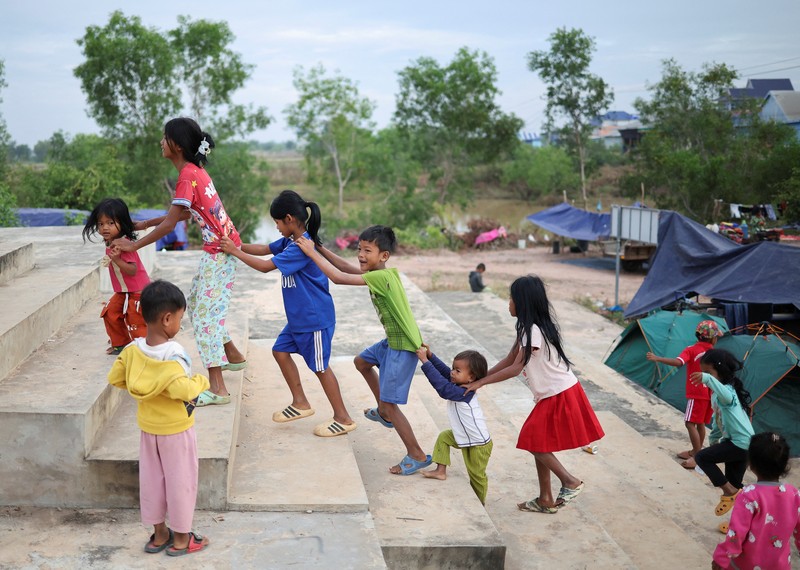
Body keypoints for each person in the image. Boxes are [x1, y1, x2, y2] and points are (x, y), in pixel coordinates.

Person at [113, 117, 246, 407]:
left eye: (164, 137)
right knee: (199, 305)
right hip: (222, 250)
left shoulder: (187, 175)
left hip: (219, 253)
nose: (161, 142)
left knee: (203, 318)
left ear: (176, 145)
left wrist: (134, 243)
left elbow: (172, 224)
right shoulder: (195, 171)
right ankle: (233, 356)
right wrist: (144, 223)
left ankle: (219, 389)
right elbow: (183, 214)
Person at [296, 226, 431, 475]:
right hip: (391, 341)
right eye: (359, 249)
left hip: (402, 347)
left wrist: (311, 253)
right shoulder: (382, 273)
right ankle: (384, 412)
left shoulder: (381, 277)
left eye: (367, 251)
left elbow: (338, 277)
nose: (360, 255)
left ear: (384, 256)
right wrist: (320, 249)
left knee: (392, 406)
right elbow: (346, 269)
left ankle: (417, 454)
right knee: (361, 362)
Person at [219, 190, 355, 437]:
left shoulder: (301, 247)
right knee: (280, 351)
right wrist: (234, 244)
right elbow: (262, 249)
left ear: (290, 219)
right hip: (298, 320)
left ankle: (343, 418)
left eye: (278, 222)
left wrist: (236, 252)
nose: (277, 227)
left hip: (314, 320)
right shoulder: (289, 242)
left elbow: (263, 266)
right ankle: (301, 402)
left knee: (321, 368)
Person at [463, 275, 604, 514]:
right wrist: (480, 378)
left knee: (532, 439)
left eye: (511, 298)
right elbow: (510, 359)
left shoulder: (533, 331)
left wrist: (481, 383)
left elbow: (517, 368)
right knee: (540, 442)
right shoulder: (527, 328)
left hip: (559, 393)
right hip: (554, 392)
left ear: (522, 302)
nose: (508, 303)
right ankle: (545, 499)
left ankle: (570, 481)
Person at [108, 279, 210, 557]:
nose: (180, 324)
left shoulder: (132, 351)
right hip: (176, 430)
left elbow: (116, 378)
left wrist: (143, 386)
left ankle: (158, 535)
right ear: (167, 318)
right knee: (180, 481)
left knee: (152, 481)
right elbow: (182, 389)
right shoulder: (173, 354)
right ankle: (180, 539)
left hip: (148, 428)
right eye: (179, 318)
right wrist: (201, 382)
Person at [416, 344, 493, 504]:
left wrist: (425, 362)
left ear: (471, 378)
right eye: (454, 368)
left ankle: (480, 502)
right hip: (464, 435)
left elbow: (442, 388)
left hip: (478, 444)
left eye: (457, 370)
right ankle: (440, 471)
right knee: (444, 437)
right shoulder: (459, 384)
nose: (452, 372)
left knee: (477, 475)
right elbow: (445, 373)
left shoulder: (464, 392)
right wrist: (431, 356)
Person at [712, 432, 800, 569]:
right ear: (785, 465)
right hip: (779, 565)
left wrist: (721, 558)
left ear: (751, 464)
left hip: (745, 565)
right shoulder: (794, 494)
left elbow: (736, 533)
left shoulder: (749, 495)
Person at [689, 349, 754, 527]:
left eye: (708, 372)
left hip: (741, 444)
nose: (705, 376)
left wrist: (707, 379)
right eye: (704, 373)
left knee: (701, 457)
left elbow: (724, 397)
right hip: (740, 444)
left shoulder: (727, 391)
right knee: (736, 484)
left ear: (721, 371)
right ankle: (739, 525)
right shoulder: (717, 395)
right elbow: (718, 420)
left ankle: (729, 491)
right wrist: (714, 439)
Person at [646, 320, 721, 469]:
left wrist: (658, 358)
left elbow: (679, 362)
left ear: (697, 335)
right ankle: (695, 451)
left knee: (689, 423)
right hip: (712, 392)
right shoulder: (715, 353)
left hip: (697, 393)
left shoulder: (691, 349)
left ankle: (698, 457)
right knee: (700, 423)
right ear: (713, 338)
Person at [83, 198, 150, 355]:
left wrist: (117, 260)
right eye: (101, 224)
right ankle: (121, 343)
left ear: (121, 224)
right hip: (123, 290)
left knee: (135, 318)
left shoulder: (124, 244)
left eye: (110, 223)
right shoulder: (110, 242)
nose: (105, 227)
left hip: (138, 289)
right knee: (110, 312)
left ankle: (143, 348)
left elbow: (132, 270)